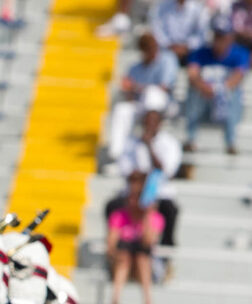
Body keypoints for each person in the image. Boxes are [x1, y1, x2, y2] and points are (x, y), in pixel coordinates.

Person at [109, 90, 181, 248]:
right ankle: (116, 248)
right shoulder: (131, 143)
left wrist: (149, 147)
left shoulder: (170, 143)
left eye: (154, 121)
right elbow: (127, 171)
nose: (150, 125)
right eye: (147, 121)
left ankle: (166, 249)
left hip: (160, 193)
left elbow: (166, 172)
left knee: (170, 210)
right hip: (133, 194)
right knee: (112, 206)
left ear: (159, 123)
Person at [106, 32, 179, 161]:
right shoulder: (134, 68)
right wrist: (128, 89)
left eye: (153, 48)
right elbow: (130, 97)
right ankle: (116, 156)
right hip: (142, 107)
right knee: (121, 110)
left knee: (152, 93)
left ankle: (149, 133)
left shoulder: (167, 59)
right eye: (148, 49)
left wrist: (136, 87)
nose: (152, 52)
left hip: (165, 107)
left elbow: (164, 88)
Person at [184, 17, 250, 155]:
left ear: (230, 37)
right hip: (205, 102)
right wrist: (206, 87)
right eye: (217, 35)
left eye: (223, 36)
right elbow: (192, 74)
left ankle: (230, 142)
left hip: (226, 103)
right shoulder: (200, 52)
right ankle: (191, 139)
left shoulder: (240, 53)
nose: (219, 40)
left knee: (231, 94)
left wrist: (218, 89)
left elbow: (237, 77)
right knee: (194, 92)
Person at [107, 169, 163, 304]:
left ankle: (147, 301)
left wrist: (146, 216)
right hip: (121, 263)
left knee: (141, 258)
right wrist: (116, 255)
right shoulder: (118, 215)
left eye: (137, 197)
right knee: (125, 258)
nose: (132, 201)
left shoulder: (154, 218)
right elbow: (111, 244)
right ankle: (115, 300)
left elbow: (147, 242)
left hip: (143, 266)